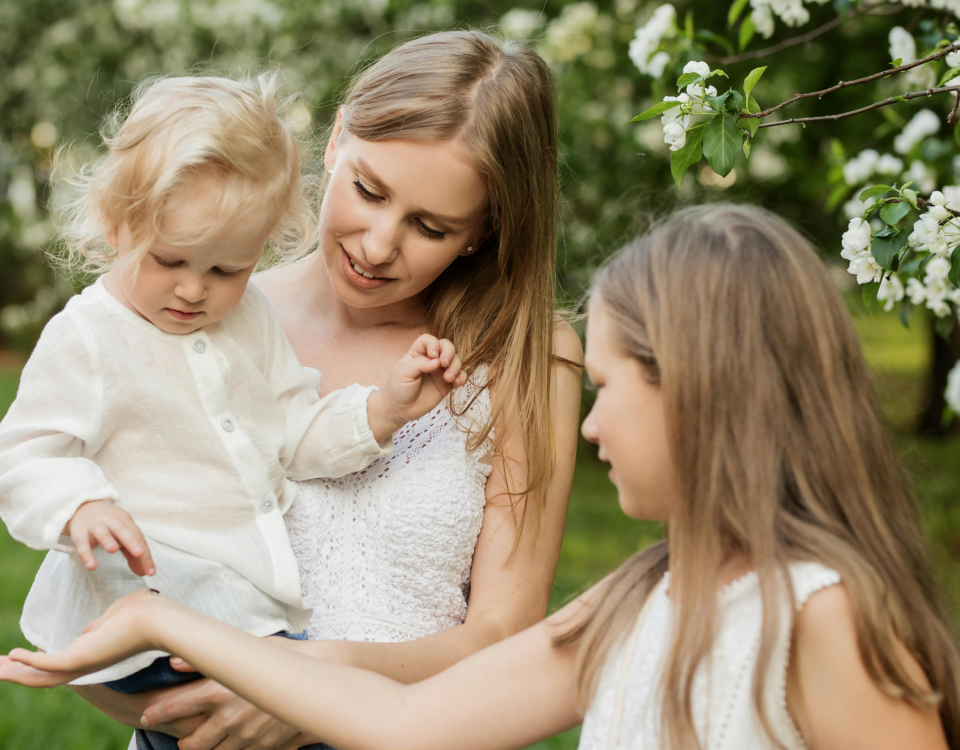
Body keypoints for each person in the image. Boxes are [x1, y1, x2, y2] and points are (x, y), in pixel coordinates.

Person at [4, 204, 959, 750]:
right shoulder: (639, 599)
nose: (585, 424)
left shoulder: (823, 617)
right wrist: (161, 618)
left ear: (701, 394)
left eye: (612, 385)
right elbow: (412, 723)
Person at [65, 31, 583, 750]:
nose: (376, 245)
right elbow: (100, 598)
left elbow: (504, 639)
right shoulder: (201, 318)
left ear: (483, 230)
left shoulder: (528, 354)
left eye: (430, 227)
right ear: (337, 137)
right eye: (369, 190)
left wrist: (308, 685)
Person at [0, 73, 468, 749]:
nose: (195, 290)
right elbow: (24, 450)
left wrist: (381, 413)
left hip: (242, 611)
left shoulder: (249, 322)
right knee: (297, 714)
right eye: (171, 260)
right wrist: (78, 507)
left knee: (278, 715)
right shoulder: (89, 336)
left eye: (228, 270)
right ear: (116, 221)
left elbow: (294, 431)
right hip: (149, 601)